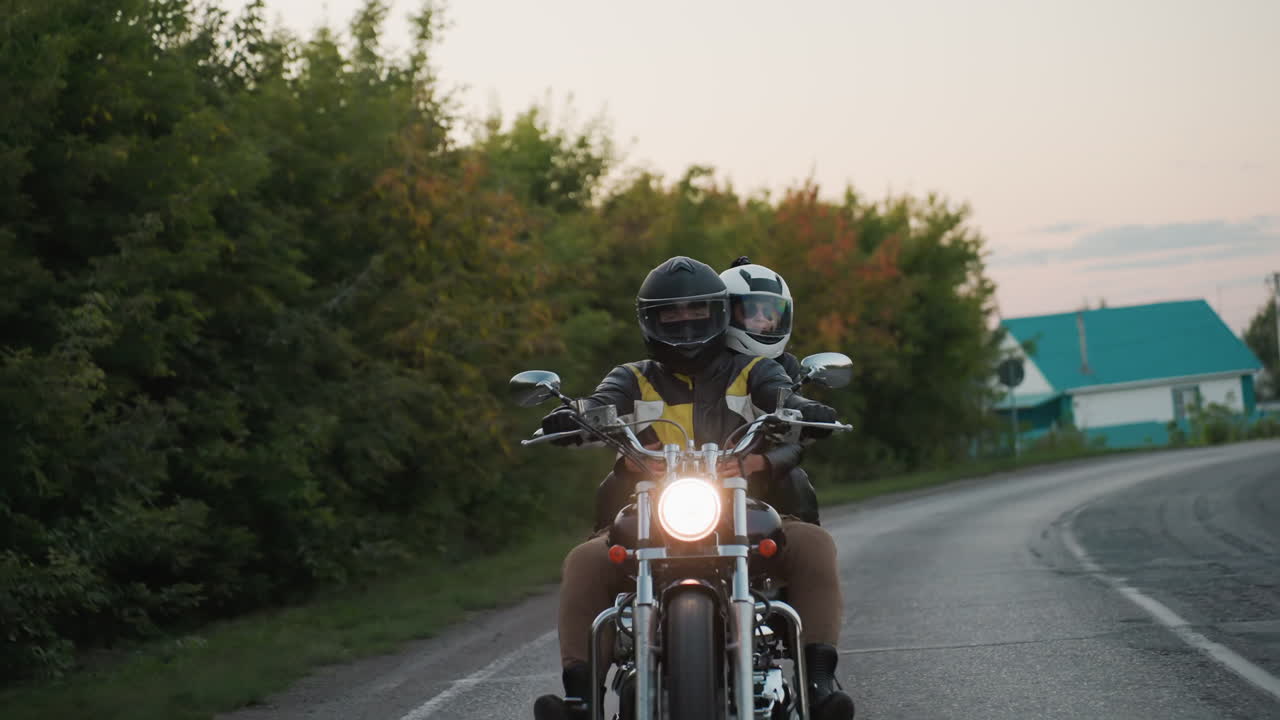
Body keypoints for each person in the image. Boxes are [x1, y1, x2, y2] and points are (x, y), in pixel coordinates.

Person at [533, 256, 855, 720]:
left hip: (745, 512)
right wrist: (573, 416)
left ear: (717, 314)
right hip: (651, 516)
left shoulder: (753, 371)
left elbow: (785, 398)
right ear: (650, 320)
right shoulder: (632, 377)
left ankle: (820, 682)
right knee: (583, 560)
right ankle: (580, 697)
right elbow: (600, 403)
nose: (684, 324)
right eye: (671, 314)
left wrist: (806, 410)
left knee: (814, 543)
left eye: (696, 312)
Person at [720, 255, 823, 524]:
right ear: (726, 311)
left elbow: (795, 443)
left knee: (796, 479)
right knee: (615, 483)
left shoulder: (785, 364)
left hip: (760, 477)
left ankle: (803, 548)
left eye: (771, 312)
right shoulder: (706, 359)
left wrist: (759, 463)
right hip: (690, 473)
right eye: (751, 310)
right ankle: (606, 542)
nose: (762, 320)